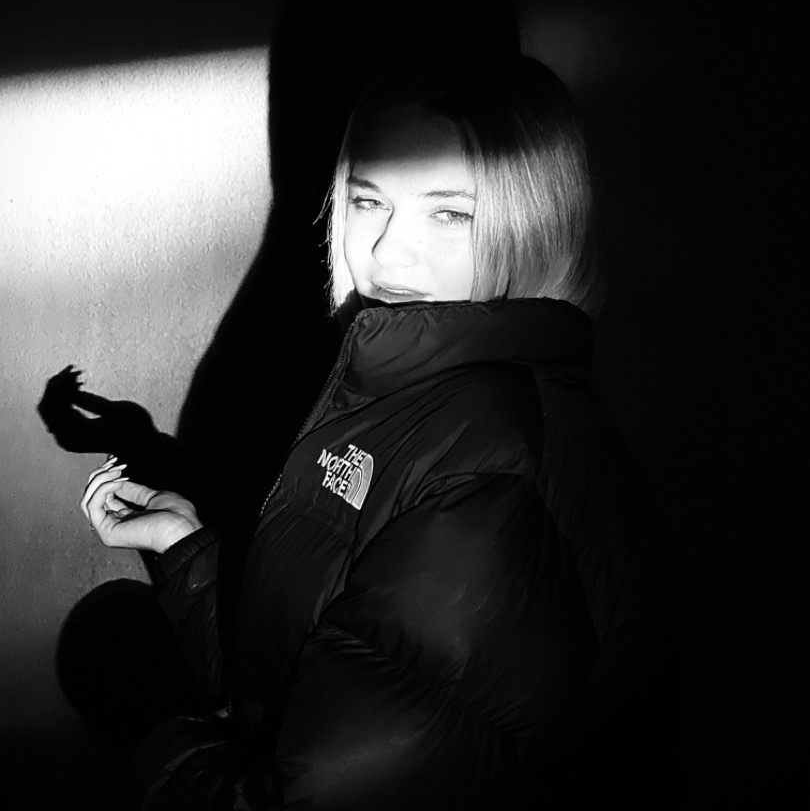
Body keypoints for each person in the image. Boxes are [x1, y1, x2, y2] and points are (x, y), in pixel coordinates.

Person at [77, 54, 676, 809]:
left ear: (534, 223)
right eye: (368, 201)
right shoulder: (411, 397)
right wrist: (186, 549)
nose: (388, 252)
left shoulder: (495, 470)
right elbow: (301, 687)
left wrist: (149, 733)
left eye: (449, 213)